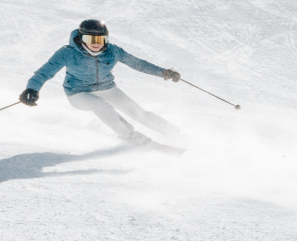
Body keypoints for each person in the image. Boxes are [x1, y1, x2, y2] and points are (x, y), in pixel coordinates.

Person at [21, 19, 184, 148]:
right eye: (90, 38)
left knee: (139, 113)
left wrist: (163, 72)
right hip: (78, 93)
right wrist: (32, 89)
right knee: (101, 106)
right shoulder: (68, 52)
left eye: (100, 38)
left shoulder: (112, 51)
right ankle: (130, 136)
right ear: (81, 38)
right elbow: (45, 72)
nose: (96, 43)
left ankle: (176, 134)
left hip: (107, 88)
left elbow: (137, 64)